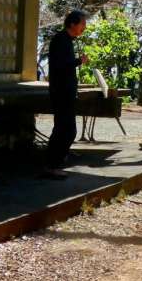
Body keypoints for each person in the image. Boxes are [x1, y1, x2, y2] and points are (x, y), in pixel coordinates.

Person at [45, 10, 88, 179]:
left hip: (66, 92)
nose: (84, 27)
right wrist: (79, 61)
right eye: (82, 24)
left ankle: (54, 163)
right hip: (61, 92)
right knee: (65, 130)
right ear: (72, 24)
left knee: (66, 129)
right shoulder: (60, 40)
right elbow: (61, 65)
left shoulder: (67, 40)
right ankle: (52, 165)